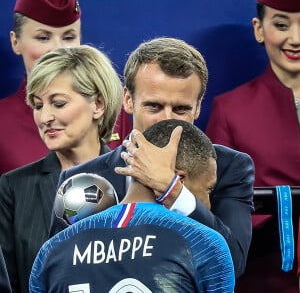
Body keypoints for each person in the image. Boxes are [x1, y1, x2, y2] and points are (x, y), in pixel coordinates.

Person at [50, 37, 255, 279]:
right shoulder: (82, 179)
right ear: (128, 100)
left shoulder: (230, 167)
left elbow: (233, 261)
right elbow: (60, 268)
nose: (167, 119)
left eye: (181, 109)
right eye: (154, 107)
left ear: (198, 107)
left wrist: (173, 191)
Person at [30, 119, 235, 293]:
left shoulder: (52, 251)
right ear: (179, 179)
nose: (208, 203)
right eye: (208, 190)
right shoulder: (205, 244)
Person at [0, 45, 122, 293]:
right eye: (37, 105)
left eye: (58, 103)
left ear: (98, 104)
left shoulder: (133, 179)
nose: (45, 117)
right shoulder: (13, 188)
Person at [205, 0, 300, 291]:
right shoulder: (231, 109)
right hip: (264, 276)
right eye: (282, 25)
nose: (295, 39)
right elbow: (213, 205)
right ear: (259, 29)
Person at [0, 0, 131, 175]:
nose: (58, 49)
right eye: (43, 38)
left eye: (68, 37)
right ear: (15, 41)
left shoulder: (113, 108)